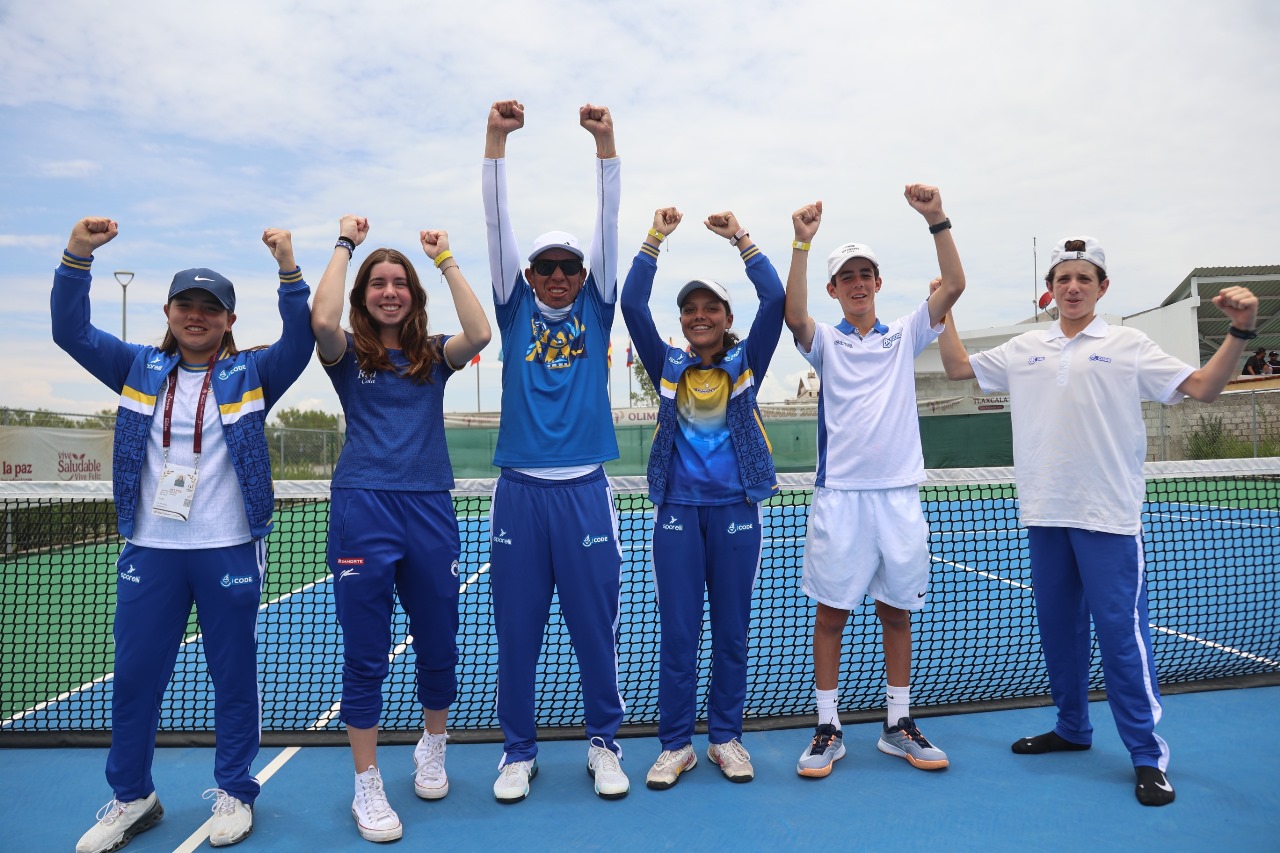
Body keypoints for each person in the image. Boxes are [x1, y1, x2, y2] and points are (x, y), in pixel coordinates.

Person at [933, 236, 1259, 806]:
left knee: (1121, 640)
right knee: (1059, 632)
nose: (1074, 287)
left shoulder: (1131, 345)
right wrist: (946, 309)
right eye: (1064, 278)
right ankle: (1072, 728)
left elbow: (1205, 389)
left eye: (1085, 278)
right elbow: (958, 367)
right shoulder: (1024, 348)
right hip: (1043, 513)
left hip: (1108, 517)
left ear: (1102, 288)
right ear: (1050, 289)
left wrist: (1240, 330)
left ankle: (1146, 756)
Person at [53, 218, 313, 852]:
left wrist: (288, 268)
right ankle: (131, 796)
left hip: (227, 547)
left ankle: (234, 790)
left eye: (211, 308)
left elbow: (301, 341)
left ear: (228, 320)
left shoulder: (253, 373)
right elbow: (70, 331)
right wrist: (78, 255)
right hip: (150, 549)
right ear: (167, 312)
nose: (197, 316)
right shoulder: (135, 366)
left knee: (232, 675)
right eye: (186, 305)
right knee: (137, 675)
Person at [311, 217, 490, 842]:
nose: (390, 292)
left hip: (430, 511)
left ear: (413, 294)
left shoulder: (434, 355)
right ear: (364, 296)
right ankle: (367, 784)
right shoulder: (344, 356)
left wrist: (443, 259)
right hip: (364, 509)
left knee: (440, 643)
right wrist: (345, 245)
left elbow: (481, 332)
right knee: (365, 655)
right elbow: (321, 320)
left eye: (400, 283)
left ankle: (431, 745)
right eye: (377, 284)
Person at [783, 190, 966, 778]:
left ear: (878, 282)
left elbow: (954, 285)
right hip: (840, 499)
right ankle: (827, 727)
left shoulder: (904, 336)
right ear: (834, 289)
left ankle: (897, 724)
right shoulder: (825, 343)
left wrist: (936, 219)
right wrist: (802, 244)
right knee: (832, 615)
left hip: (898, 498)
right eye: (847, 277)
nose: (857, 283)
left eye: (865, 274)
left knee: (896, 613)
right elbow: (793, 315)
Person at [482, 99, 628, 802]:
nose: (561, 275)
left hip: (584, 491)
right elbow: (494, 223)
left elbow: (611, 222)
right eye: (548, 266)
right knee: (517, 632)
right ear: (530, 275)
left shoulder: (599, 306)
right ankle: (518, 750)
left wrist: (605, 144)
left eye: (570, 265)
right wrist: (495, 143)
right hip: (519, 493)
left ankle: (603, 742)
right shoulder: (512, 309)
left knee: (595, 628)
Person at [620, 207, 785, 789]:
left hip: (737, 512)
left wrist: (742, 238)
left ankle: (725, 738)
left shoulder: (746, 364)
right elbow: (632, 306)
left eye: (709, 308)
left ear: (726, 318)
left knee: (733, 631)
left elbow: (776, 300)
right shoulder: (666, 364)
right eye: (689, 310)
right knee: (680, 632)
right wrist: (655, 238)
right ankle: (674, 746)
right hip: (678, 516)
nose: (698, 316)